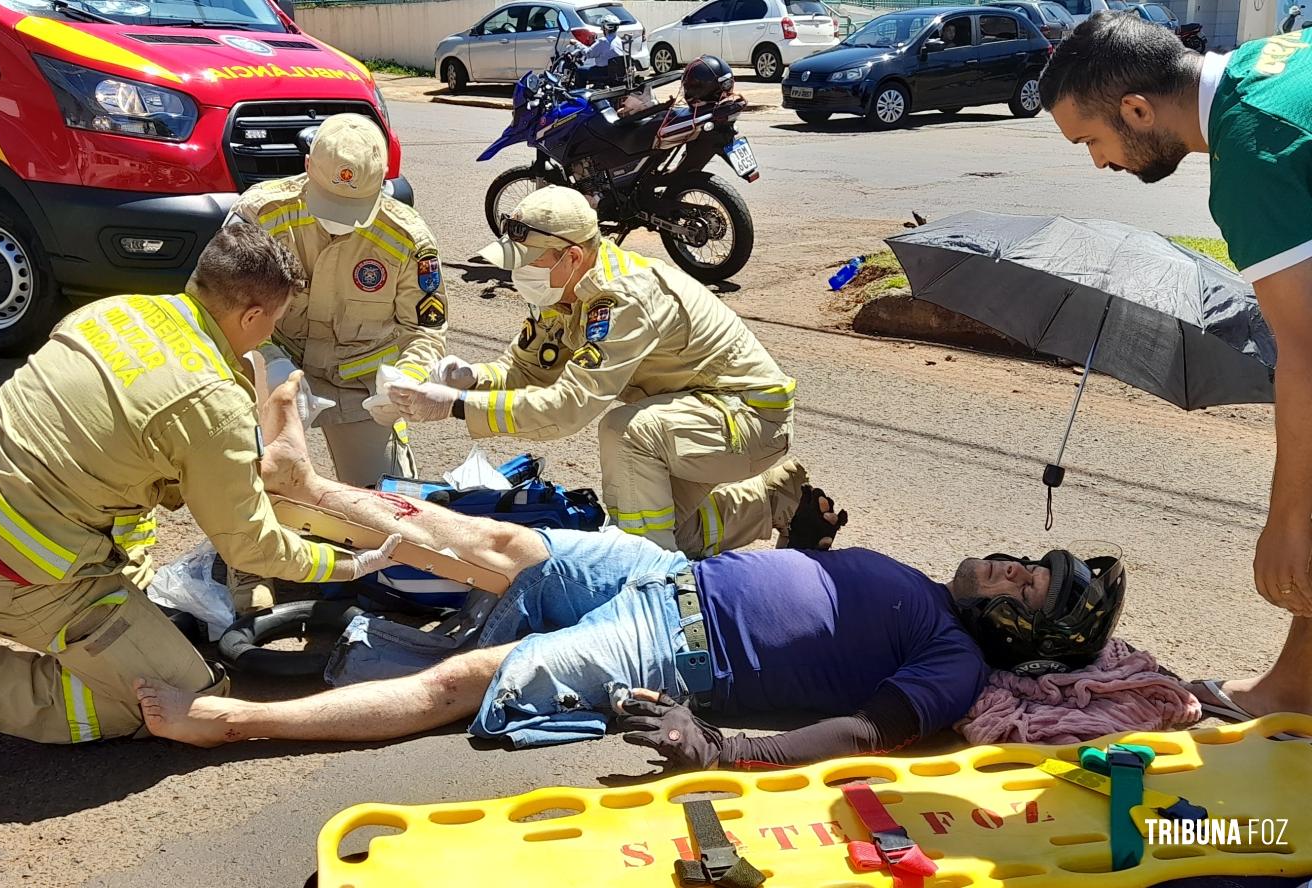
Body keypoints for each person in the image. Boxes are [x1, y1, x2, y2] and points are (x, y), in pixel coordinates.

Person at [133, 386, 1124, 768]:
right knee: (472, 531)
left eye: (1025, 588)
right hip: (662, 572)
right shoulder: (923, 589)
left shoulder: (950, 662)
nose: (1009, 567)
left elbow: (861, 732)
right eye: (1025, 562)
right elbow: (815, 611)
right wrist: (810, 545)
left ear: (1015, 636)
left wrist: (720, 746)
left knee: (461, 684)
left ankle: (224, 721)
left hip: (670, 646)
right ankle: (300, 480)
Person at [0, 223, 401, 759]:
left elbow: (109, 474)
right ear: (251, 316)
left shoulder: (115, 311)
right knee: (181, 701)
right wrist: (348, 565)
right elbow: (250, 546)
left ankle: (97, 632)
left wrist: (139, 592)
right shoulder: (211, 403)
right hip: (6, 570)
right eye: (272, 323)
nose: (268, 337)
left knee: (146, 637)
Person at [1039, 14, 1312, 720]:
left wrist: (1285, 523)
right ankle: (1298, 684)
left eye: (1092, 140)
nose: (1098, 163)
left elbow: (1307, 354)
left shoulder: (1253, 158)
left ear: (1136, 109)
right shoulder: (1268, 61)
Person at [388, 186, 835, 559]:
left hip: (748, 418)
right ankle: (780, 500)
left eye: (530, 259)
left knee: (626, 435)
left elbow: (567, 409)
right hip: (692, 416)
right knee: (663, 528)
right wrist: (471, 378)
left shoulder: (620, 298)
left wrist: (458, 408)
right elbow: (525, 370)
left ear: (574, 256)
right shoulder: (561, 292)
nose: (517, 272)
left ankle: (651, 585)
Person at [225, 113, 446, 488]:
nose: (338, 222)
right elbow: (225, 310)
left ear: (383, 182)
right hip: (275, 375)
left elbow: (424, 332)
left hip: (362, 390)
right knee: (251, 495)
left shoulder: (409, 239)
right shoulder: (259, 216)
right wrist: (270, 364)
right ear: (307, 165)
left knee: (391, 505)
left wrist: (404, 381)